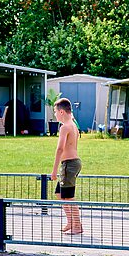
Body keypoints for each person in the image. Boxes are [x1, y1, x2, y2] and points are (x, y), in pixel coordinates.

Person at [50, 97, 82, 236]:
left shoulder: (65, 127)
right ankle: (70, 222)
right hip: (71, 163)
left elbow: (59, 149)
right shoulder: (73, 124)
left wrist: (54, 170)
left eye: (55, 111)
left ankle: (77, 225)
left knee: (69, 197)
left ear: (62, 112)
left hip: (69, 164)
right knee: (59, 193)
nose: (55, 114)